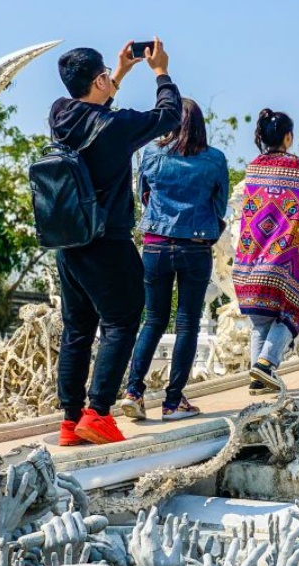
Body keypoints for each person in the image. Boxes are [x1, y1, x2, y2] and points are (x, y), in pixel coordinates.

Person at [50, 40, 181, 446]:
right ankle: (99, 412)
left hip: (70, 242)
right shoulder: (118, 126)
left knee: (77, 330)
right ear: (99, 81)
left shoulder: (59, 113)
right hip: (108, 241)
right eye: (106, 74)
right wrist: (160, 71)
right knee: (122, 320)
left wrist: (119, 74)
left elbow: (92, 114)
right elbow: (169, 116)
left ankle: (71, 421)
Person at [120, 98, 229, 421]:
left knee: (153, 320)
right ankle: (172, 402)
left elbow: (144, 196)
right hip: (195, 246)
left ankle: (133, 392)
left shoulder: (152, 154)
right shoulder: (214, 159)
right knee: (187, 324)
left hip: (155, 245)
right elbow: (220, 206)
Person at [233, 110, 299, 395]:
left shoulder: (254, 168)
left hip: (249, 262)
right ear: (288, 137)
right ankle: (266, 362)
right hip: (283, 261)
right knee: (293, 313)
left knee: (260, 322)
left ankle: (258, 379)